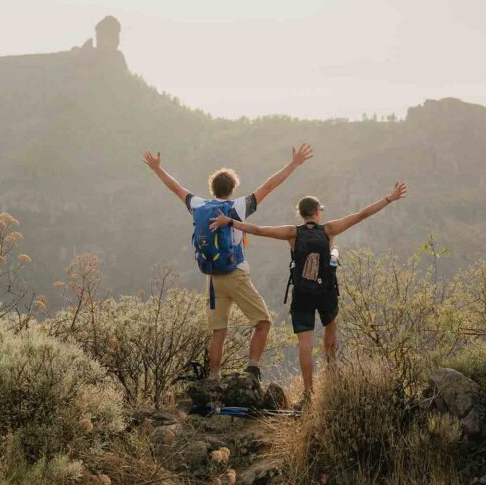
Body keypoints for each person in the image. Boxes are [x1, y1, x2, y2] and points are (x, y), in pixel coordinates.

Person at [210, 182, 408, 400]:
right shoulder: (329, 229)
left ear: (301, 214)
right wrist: (389, 198)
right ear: (316, 212)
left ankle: (307, 392)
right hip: (326, 293)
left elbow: (258, 230)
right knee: (330, 328)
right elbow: (361, 214)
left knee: (305, 346)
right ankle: (331, 372)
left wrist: (229, 221)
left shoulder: (292, 233)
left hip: (302, 296)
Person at [142, 145, 313, 381]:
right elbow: (269, 186)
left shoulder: (198, 206)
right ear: (232, 188)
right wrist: (294, 164)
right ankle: (252, 371)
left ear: (212, 188)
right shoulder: (238, 207)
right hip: (235, 274)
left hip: (212, 279)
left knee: (218, 332)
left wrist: (157, 169)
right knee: (263, 322)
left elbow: (176, 188)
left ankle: (214, 378)